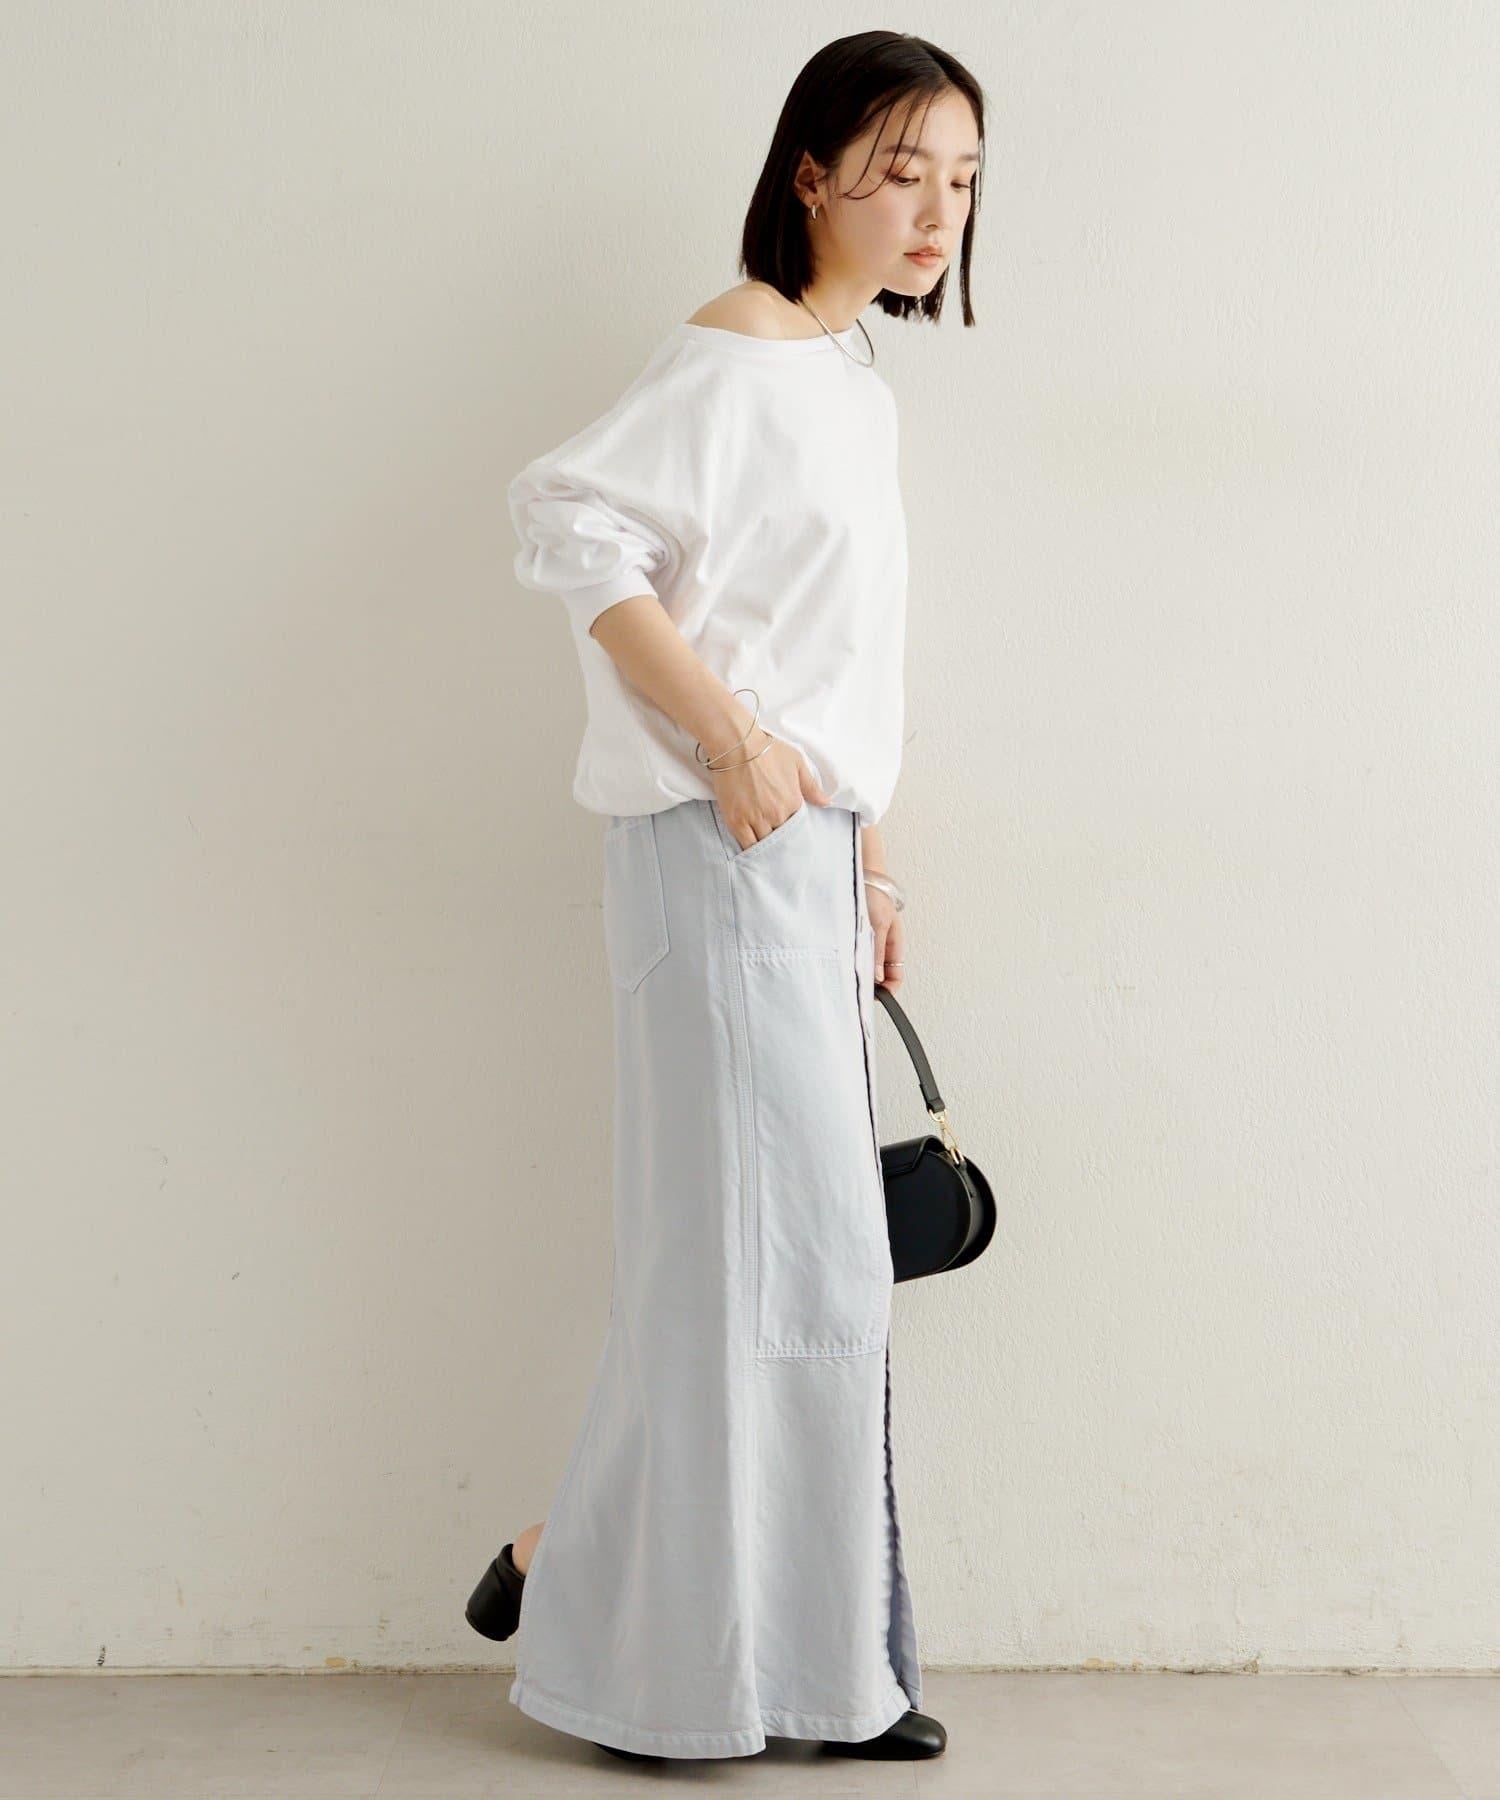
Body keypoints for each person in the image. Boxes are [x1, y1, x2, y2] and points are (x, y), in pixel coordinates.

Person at [466, 31, 984, 1764]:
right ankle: (671, 1675)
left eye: (962, 180)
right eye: (903, 170)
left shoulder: (849, 381)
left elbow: (838, 652)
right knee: (735, 1267)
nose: (936, 210)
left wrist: (871, 850)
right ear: (811, 172)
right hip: (713, 846)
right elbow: (566, 520)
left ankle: (798, 1658)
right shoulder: (737, 349)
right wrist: (732, 742)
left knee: (811, 1273)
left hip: (807, 858)